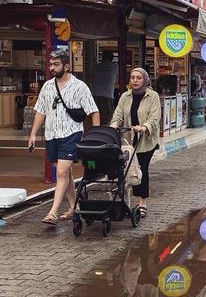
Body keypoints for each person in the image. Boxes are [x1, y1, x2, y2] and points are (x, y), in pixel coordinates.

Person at [29, 51, 100, 226]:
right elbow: (40, 111)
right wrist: (33, 134)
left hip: (71, 134)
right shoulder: (47, 86)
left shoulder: (80, 86)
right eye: (50, 64)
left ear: (66, 66)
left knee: (61, 172)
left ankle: (53, 212)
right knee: (65, 173)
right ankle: (74, 207)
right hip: (52, 135)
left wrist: (96, 135)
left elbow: (93, 111)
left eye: (56, 64)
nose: (52, 68)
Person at [110, 68, 161, 218]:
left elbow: (155, 117)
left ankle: (142, 202)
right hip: (128, 139)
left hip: (146, 140)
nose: (135, 80)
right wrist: (114, 124)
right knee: (124, 169)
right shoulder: (125, 96)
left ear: (145, 80)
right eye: (132, 77)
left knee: (141, 169)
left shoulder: (152, 96)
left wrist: (144, 127)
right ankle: (122, 198)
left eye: (139, 78)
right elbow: (118, 114)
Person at [91, 50, 118, 125]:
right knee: (107, 117)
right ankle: (106, 130)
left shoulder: (96, 66)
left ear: (102, 57)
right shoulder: (115, 67)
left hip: (94, 94)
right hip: (107, 95)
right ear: (112, 58)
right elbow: (117, 80)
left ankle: (96, 129)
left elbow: (91, 79)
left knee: (95, 115)